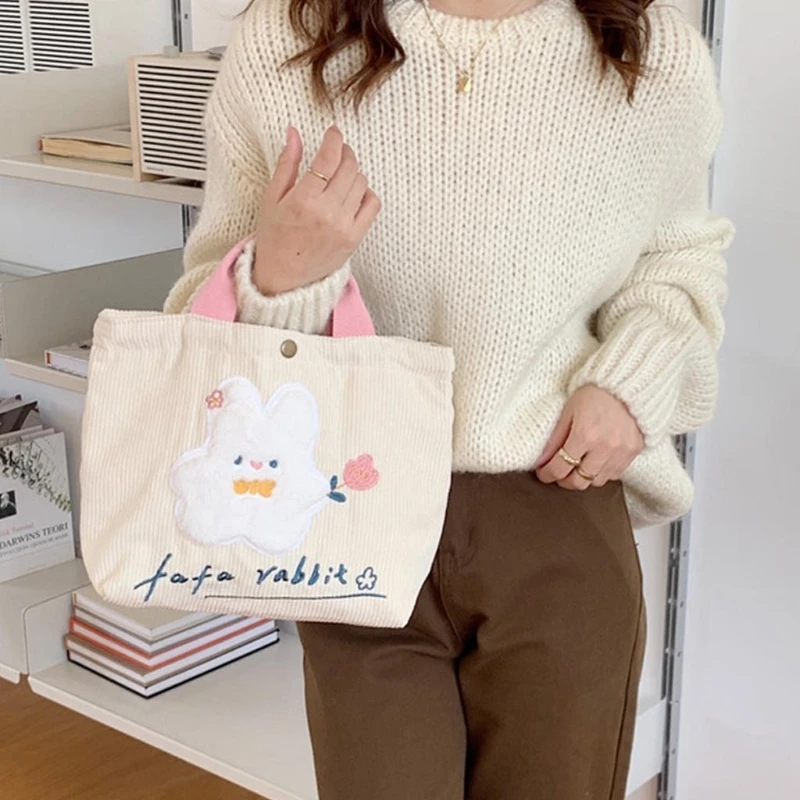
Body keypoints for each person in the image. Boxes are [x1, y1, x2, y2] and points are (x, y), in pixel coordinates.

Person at [164, 0, 734, 796]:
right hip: (355, 508)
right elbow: (205, 301)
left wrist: (630, 383)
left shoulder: (652, 51)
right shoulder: (289, 40)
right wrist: (279, 274)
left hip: (555, 504)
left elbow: (678, 259)